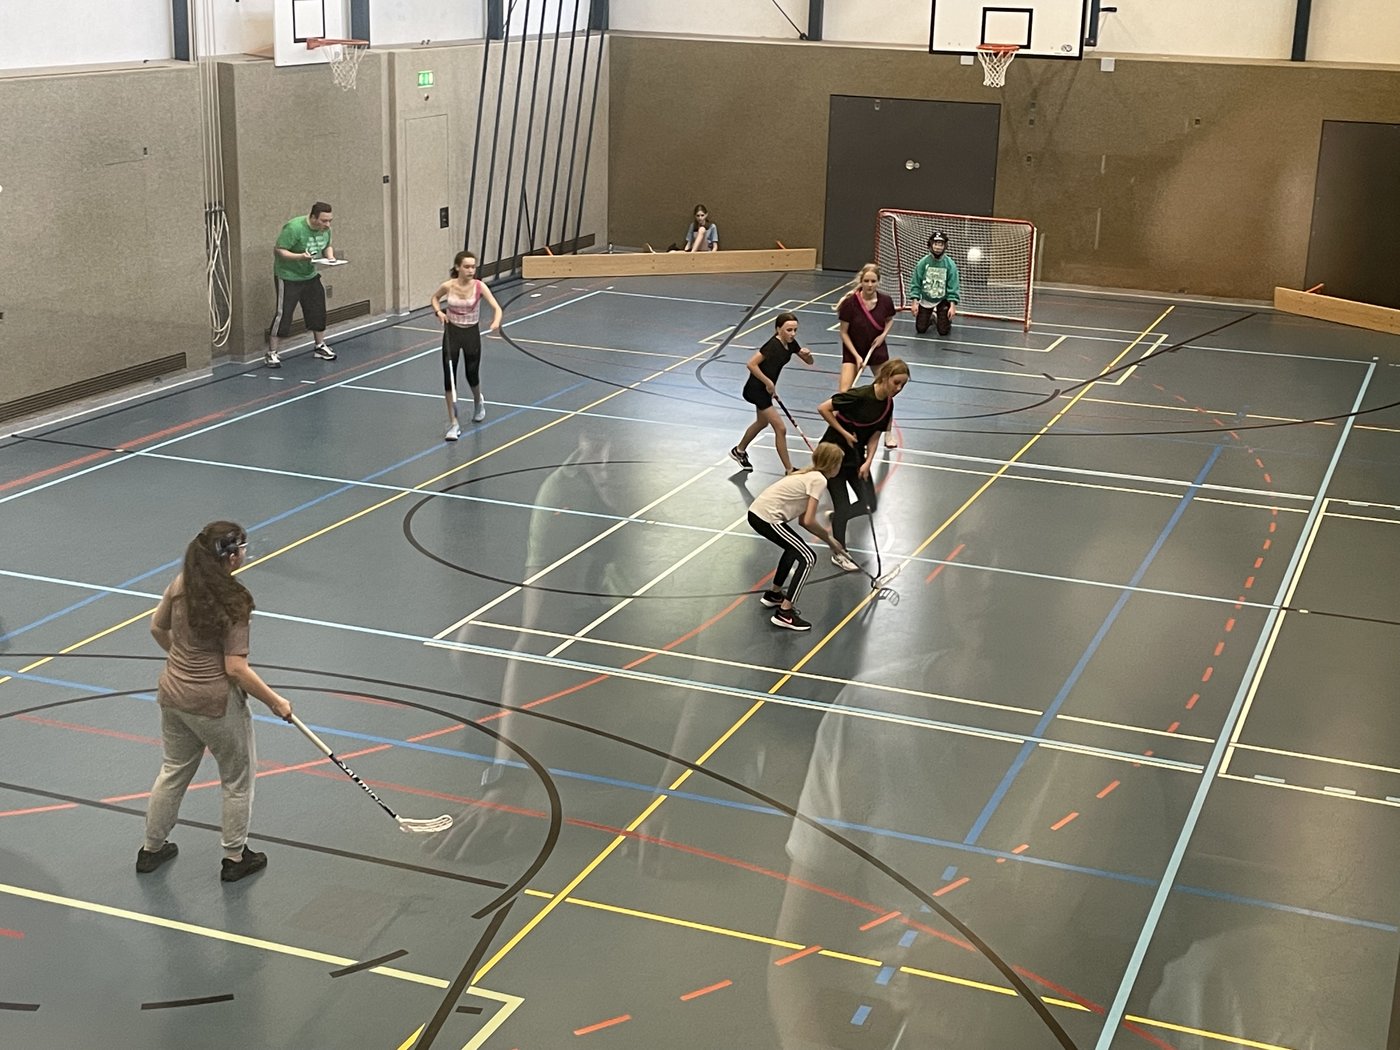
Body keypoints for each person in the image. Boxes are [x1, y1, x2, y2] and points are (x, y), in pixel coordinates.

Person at [137, 521, 294, 883]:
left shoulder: (182, 585)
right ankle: (235, 857)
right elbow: (235, 668)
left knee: (173, 770)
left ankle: (151, 849)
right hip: (215, 705)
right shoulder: (234, 602)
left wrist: (181, 662)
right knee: (237, 779)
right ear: (232, 556)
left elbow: (157, 627)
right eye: (243, 548)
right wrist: (276, 702)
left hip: (173, 695)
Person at [817, 358, 910, 571]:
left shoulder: (887, 404)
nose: (898, 388)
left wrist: (868, 462)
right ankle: (839, 552)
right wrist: (844, 433)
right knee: (842, 504)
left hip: (856, 458)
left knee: (870, 504)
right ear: (885, 377)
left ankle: (837, 518)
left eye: (903, 385)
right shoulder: (859, 396)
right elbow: (823, 408)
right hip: (833, 456)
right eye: (896, 382)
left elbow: (875, 435)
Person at [747, 442, 850, 632]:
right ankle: (785, 613)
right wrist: (830, 540)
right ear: (832, 465)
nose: (840, 467)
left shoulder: (809, 474)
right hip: (767, 518)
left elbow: (803, 520)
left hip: (757, 514)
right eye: (839, 463)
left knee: (794, 549)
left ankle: (774, 595)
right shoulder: (819, 480)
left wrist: (829, 540)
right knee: (808, 558)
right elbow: (809, 521)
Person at [430, 250, 504, 440]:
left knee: (471, 374)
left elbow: (497, 307)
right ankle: (454, 424)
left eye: (473, 267)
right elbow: (434, 298)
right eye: (467, 267)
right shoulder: (448, 286)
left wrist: (496, 322)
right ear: (458, 267)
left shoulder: (479, 286)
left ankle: (478, 400)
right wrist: (439, 312)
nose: (471, 270)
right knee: (449, 378)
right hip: (452, 334)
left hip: (471, 334)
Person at [730, 312, 814, 475]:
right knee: (780, 428)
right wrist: (768, 382)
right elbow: (751, 364)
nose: (793, 334)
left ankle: (739, 451)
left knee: (762, 423)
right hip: (756, 389)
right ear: (778, 329)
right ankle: (789, 469)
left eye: (795, 330)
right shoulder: (772, 345)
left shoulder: (791, 344)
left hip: (765, 390)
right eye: (789, 330)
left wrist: (808, 356)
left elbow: (809, 362)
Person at [266, 201, 338, 368]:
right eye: (324, 221)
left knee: (318, 310)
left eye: (330, 221)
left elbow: (328, 245)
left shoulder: (326, 229)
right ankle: (272, 353)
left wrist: (330, 257)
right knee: (284, 314)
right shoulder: (294, 228)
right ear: (313, 218)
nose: (327, 224)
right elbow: (279, 250)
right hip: (289, 276)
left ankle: (319, 346)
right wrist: (300, 257)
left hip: (310, 275)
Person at [836, 262, 900, 448]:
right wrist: (856, 356)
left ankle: (888, 432)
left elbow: (889, 320)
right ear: (861, 281)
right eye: (866, 281)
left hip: (876, 348)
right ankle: (844, 429)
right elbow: (843, 332)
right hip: (853, 350)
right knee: (844, 393)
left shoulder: (886, 301)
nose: (870, 285)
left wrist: (883, 336)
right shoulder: (850, 304)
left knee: (887, 390)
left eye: (873, 281)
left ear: (878, 282)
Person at [908, 230, 960, 337]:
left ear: (945, 246)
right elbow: (916, 283)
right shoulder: (923, 263)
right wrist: (914, 302)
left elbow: (953, 286)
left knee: (943, 331)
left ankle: (944, 320)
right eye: (936, 244)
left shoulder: (950, 264)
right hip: (926, 298)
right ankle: (931, 317)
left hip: (942, 299)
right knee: (921, 329)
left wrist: (952, 306)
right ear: (930, 245)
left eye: (941, 244)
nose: (938, 247)